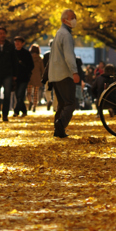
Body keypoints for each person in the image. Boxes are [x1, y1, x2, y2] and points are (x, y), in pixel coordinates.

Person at [48, 9, 80, 139]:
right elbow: (69, 56)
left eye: (74, 17)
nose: (74, 19)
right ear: (64, 20)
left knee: (61, 104)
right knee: (70, 103)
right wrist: (75, 71)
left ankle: (58, 130)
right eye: (72, 17)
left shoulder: (59, 33)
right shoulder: (66, 35)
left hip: (55, 74)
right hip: (64, 74)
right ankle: (60, 124)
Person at [12, 37, 34, 117]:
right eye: (16, 42)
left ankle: (16, 111)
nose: (17, 43)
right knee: (18, 95)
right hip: (15, 78)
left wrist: (25, 71)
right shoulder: (12, 53)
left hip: (24, 78)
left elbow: (31, 65)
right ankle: (24, 111)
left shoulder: (26, 53)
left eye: (19, 42)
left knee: (20, 94)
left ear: (22, 43)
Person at [27, 45, 44, 112]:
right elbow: (42, 69)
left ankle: (30, 101)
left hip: (29, 77)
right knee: (35, 93)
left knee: (29, 92)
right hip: (37, 77)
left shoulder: (28, 58)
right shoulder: (40, 59)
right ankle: (34, 106)